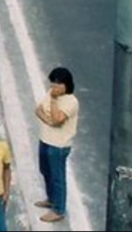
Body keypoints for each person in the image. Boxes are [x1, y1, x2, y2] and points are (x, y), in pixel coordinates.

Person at [34, 67, 79, 224]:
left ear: (65, 85)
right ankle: (51, 198)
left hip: (59, 145)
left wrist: (53, 101)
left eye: (57, 85)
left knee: (57, 177)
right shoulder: (50, 92)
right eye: (52, 84)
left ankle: (59, 209)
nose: (53, 87)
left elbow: (58, 119)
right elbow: (38, 110)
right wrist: (48, 121)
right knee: (45, 171)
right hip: (45, 139)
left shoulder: (71, 101)